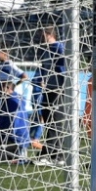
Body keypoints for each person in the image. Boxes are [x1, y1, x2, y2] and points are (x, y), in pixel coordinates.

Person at [34, 27, 67, 164]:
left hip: (57, 89)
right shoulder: (46, 50)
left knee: (55, 122)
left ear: (49, 35)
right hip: (48, 89)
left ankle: (46, 155)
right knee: (48, 120)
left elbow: (65, 67)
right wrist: (41, 79)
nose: (41, 38)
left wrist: (62, 84)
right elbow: (45, 68)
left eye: (43, 35)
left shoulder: (59, 47)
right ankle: (59, 155)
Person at [0, 81, 31, 162]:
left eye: (0, 88)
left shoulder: (13, 102)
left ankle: (18, 154)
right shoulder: (12, 99)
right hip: (13, 137)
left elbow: (14, 123)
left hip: (15, 139)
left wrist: (3, 136)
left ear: (7, 88)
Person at [0, 43, 29, 114]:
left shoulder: (10, 65)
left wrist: (13, 86)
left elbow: (25, 76)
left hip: (4, 98)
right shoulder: (0, 64)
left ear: (5, 52)